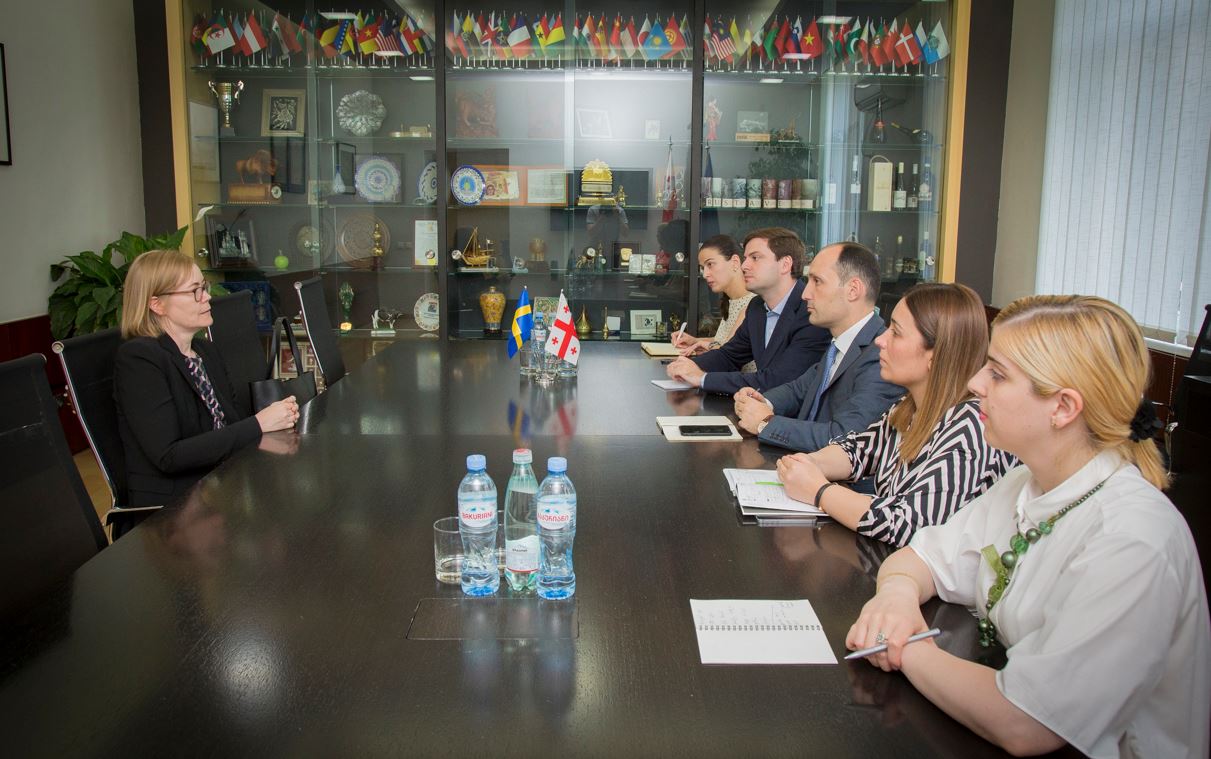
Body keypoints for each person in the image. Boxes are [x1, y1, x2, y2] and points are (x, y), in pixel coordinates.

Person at [847, 295, 1210, 757]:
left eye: (997, 374)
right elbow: (920, 558)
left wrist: (905, 645)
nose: (975, 383)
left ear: (1063, 407)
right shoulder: (1026, 482)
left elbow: (1025, 723)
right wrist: (895, 598)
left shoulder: (1133, 539)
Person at [776, 283, 1015, 546]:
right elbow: (859, 450)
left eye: (896, 333)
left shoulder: (971, 423)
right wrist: (809, 464)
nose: (880, 340)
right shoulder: (908, 406)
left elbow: (911, 525)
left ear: (936, 354)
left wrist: (819, 491)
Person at [114, 250, 299, 523]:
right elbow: (169, 456)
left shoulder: (205, 351)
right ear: (157, 304)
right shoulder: (140, 359)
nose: (207, 297)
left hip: (223, 486)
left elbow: (229, 424)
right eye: (194, 291)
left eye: (205, 287)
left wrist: (273, 418)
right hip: (174, 512)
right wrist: (259, 423)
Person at [734, 242, 904, 451]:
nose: (805, 294)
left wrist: (765, 423)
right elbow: (798, 390)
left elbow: (847, 438)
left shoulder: (880, 356)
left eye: (817, 281)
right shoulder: (840, 344)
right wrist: (761, 402)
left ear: (853, 290)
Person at [666, 227, 829, 394]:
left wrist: (702, 378)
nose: (744, 266)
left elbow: (779, 380)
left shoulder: (811, 312)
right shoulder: (757, 307)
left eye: (755, 258)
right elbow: (730, 355)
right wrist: (687, 366)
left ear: (785, 264)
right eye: (746, 258)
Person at [672, 235, 755, 362]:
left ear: (735, 262)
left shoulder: (752, 305)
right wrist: (694, 341)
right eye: (702, 268)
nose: (705, 274)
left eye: (710, 264)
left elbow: (728, 353)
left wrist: (706, 345)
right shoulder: (731, 301)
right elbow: (723, 341)